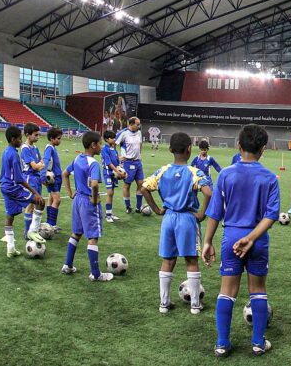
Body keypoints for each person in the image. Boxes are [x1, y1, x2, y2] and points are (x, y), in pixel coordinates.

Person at [202, 125, 281, 357]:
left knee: (227, 291)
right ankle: (257, 342)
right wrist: (252, 237)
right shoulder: (269, 177)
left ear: (238, 145)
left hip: (231, 238)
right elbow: (271, 215)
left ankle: (222, 344)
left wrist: (207, 241)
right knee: (257, 289)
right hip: (257, 239)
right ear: (263, 149)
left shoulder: (225, 174)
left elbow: (215, 212)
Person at [141, 132, 213, 315]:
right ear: (189, 149)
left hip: (169, 219)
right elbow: (209, 193)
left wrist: (158, 210)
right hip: (187, 218)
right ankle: (195, 305)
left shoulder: (162, 171)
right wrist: (202, 213)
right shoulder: (194, 172)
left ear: (171, 149)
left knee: (168, 259)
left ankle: (164, 304)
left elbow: (143, 188)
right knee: (191, 260)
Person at [61, 131, 113, 282]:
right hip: (88, 201)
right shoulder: (94, 163)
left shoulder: (78, 158)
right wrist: (95, 199)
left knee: (76, 233)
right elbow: (95, 184)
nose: (101, 147)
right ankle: (96, 274)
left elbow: (65, 173)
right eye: (100, 144)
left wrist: (70, 193)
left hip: (77, 200)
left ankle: (68, 265)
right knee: (92, 236)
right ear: (93, 145)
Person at [0, 126, 46, 257]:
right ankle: (32, 231)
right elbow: (19, 179)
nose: (21, 140)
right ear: (13, 139)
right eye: (19, 138)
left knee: (10, 216)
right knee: (40, 202)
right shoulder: (14, 155)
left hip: (4, 186)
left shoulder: (6, 151)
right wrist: (35, 192)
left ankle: (11, 248)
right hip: (14, 188)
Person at [20, 123, 46, 239]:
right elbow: (35, 166)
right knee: (32, 204)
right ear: (27, 135)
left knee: (37, 204)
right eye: (36, 135)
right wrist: (39, 165)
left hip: (37, 178)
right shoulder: (25, 149)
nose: (38, 137)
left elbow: (41, 163)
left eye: (38, 135)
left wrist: (39, 165)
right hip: (30, 178)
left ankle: (32, 230)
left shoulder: (35, 148)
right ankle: (27, 232)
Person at [117, 117, 145, 214]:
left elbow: (140, 144)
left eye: (139, 124)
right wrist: (119, 157)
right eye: (137, 124)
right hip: (128, 162)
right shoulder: (123, 133)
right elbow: (113, 143)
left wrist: (139, 155)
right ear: (131, 124)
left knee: (141, 184)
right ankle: (128, 206)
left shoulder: (139, 132)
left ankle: (138, 207)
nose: (139, 126)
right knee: (127, 185)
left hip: (138, 162)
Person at [101, 130, 126, 223]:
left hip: (115, 173)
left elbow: (116, 160)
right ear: (107, 139)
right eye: (112, 138)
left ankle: (110, 213)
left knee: (112, 193)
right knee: (110, 192)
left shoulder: (113, 148)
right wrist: (117, 171)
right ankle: (107, 215)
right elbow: (108, 163)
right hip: (108, 173)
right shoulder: (105, 149)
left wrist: (120, 165)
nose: (114, 139)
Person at [43, 127, 64, 233]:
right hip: (53, 178)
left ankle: (49, 223)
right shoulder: (49, 148)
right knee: (57, 200)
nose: (60, 141)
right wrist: (44, 175)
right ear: (52, 138)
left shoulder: (53, 147)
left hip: (57, 177)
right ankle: (51, 224)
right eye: (58, 138)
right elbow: (45, 161)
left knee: (51, 199)